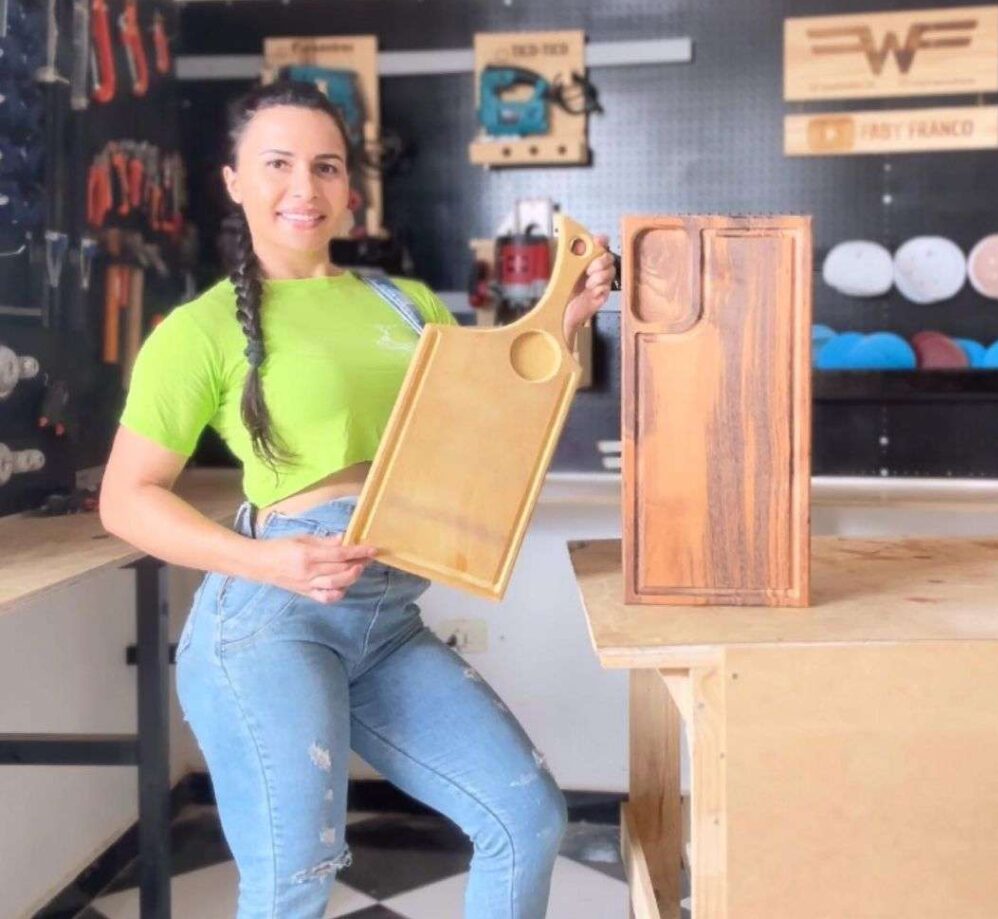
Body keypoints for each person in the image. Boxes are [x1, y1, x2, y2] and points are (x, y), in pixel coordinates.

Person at [99, 79, 615, 919]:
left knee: (525, 816)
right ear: (232, 179)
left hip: (386, 615)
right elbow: (125, 500)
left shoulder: (400, 301)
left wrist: (562, 322)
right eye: (277, 164)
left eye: (325, 167)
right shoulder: (197, 330)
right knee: (294, 882)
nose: (304, 188)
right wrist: (266, 559)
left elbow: (481, 422)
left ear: (350, 188)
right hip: (270, 622)